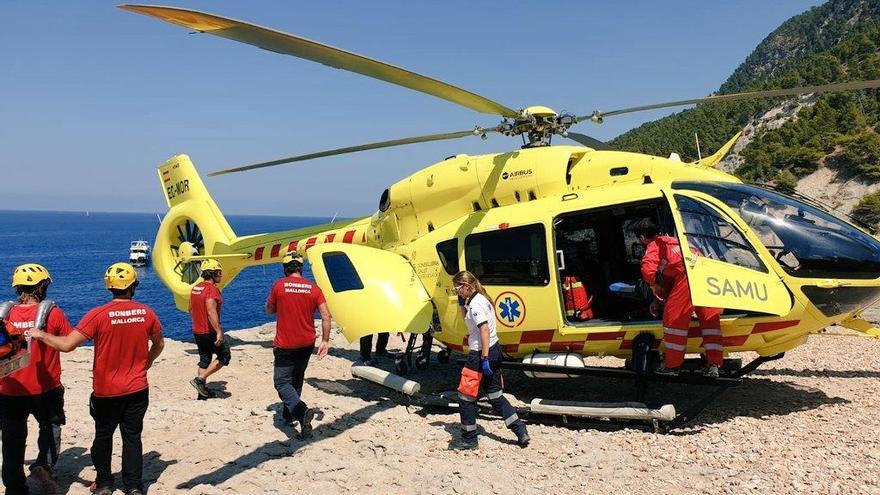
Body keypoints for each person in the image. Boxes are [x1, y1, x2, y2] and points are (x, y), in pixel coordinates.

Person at [29, 262, 165, 495]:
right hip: (137, 388)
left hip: (106, 391)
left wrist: (40, 334)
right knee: (132, 437)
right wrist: (147, 362)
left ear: (109, 287)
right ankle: (133, 486)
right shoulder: (147, 312)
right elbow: (159, 343)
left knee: (103, 436)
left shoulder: (98, 315)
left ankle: (104, 483)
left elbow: (67, 345)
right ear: (134, 286)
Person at [0, 264, 73, 495]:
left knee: (12, 438)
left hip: (9, 388)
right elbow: (68, 342)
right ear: (41, 287)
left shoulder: (5, 314)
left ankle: (14, 486)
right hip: (46, 387)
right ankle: (43, 466)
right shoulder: (53, 313)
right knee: (50, 427)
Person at [633, 219, 723, 377]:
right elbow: (670, 275)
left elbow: (648, 270)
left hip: (686, 278)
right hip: (705, 276)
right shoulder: (677, 240)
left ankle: (672, 366)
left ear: (641, 238)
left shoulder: (655, 245)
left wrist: (653, 285)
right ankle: (713, 365)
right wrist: (657, 299)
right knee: (710, 321)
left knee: (673, 320)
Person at [452, 270, 529, 450]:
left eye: (457, 288)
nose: (456, 292)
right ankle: (520, 429)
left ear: (466, 286)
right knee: (495, 395)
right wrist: (462, 305)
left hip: (480, 353)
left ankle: (469, 439)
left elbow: (483, 330)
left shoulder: (476, 305)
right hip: (495, 350)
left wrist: (484, 357)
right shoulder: (481, 298)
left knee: (466, 396)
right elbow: (469, 320)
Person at [266, 252, 331, 439]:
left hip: (286, 344)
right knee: (296, 378)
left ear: (285, 268)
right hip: (306, 342)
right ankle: (289, 414)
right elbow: (326, 316)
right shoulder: (314, 288)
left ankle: (301, 412)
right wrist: (325, 341)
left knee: (281, 382)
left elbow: (270, 310)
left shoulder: (279, 285)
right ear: (301, 268)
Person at [189, 259, 230, 399]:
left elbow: (190, 308)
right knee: (224, 357)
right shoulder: (212, 290)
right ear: (212, 274)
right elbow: (211, 311)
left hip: (197, 330)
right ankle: (199, 380)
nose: (220, 275)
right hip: (209, 331)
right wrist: (218, 331)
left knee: (204, 360)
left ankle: (202, 392)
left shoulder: (196, 288)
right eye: (218, 272)